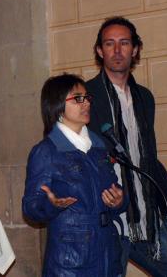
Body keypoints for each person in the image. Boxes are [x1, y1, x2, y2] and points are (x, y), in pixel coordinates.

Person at [86, 17, 167, 277]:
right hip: (107, 217)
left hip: (145, 215)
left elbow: (148, 156)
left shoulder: (144, 97)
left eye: (124, 43)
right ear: (100, 51)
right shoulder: (87, 96)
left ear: (134, 49)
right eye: (109, 44)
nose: (117, 50)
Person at [22, 74, 127, 277]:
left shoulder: (99, 147)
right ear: (57, 105)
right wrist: (51, 205)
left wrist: (119, 200)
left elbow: (116, 191)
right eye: (77, 98)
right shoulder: (47, 151)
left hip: (107, 252)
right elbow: (30, 208)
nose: (86, 103)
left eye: (87, 98)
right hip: (71, 261)